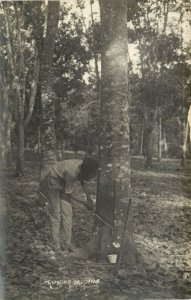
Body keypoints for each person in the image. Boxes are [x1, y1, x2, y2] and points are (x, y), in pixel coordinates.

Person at [39, 157, 98, 254]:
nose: (92, 177)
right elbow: (68, 193)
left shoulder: (83, 167)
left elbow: (83, 181)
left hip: (64, 180)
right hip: (54, 180)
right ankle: (56, 244)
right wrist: (85, 203)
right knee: (56, 213)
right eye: (91, 175)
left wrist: (89, 197)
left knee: (67, 213)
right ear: (85, 171)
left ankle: (66, 242)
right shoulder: (71, 172)